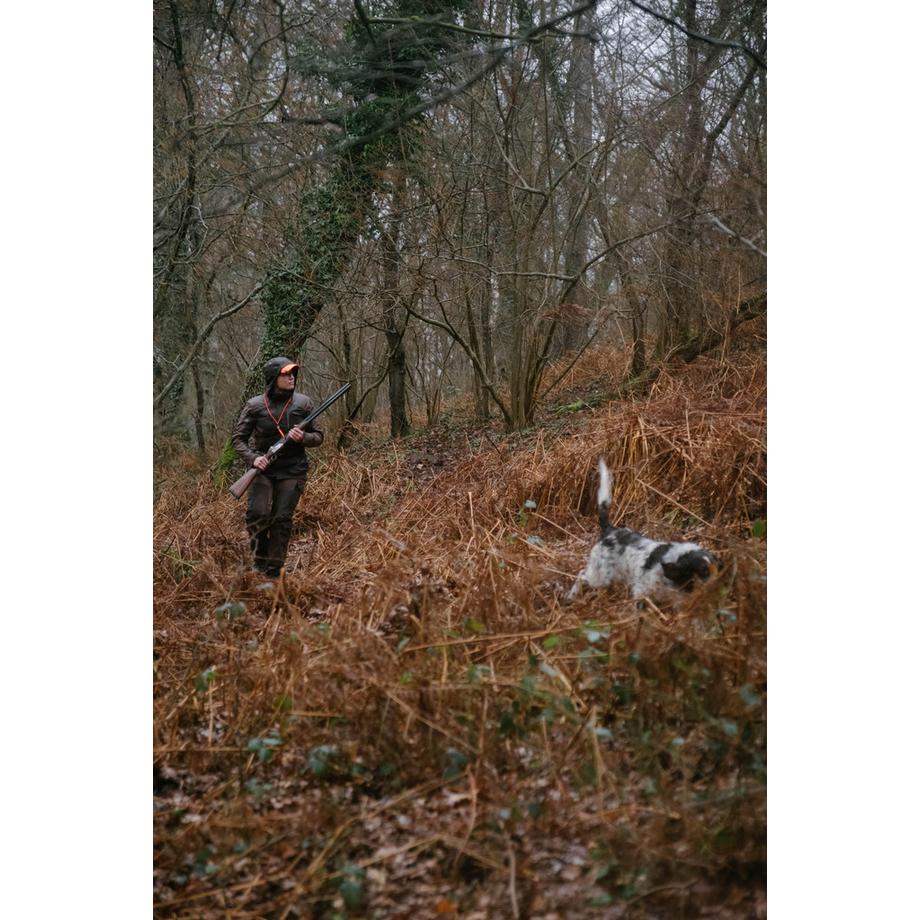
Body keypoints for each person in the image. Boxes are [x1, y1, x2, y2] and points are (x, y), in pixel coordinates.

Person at [231, 356, 324, 576]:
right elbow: (238, 439)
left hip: (293, 470)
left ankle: (273, 571)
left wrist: (303, 437)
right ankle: (259, 560)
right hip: (263, 468)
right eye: (286, 374)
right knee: (257, 513)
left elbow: (319, 437)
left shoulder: (304, 403)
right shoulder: (254, 406)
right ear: (273, 378)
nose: (291, 378)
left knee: (281, 518)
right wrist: (253, 458)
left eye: (293, 374)